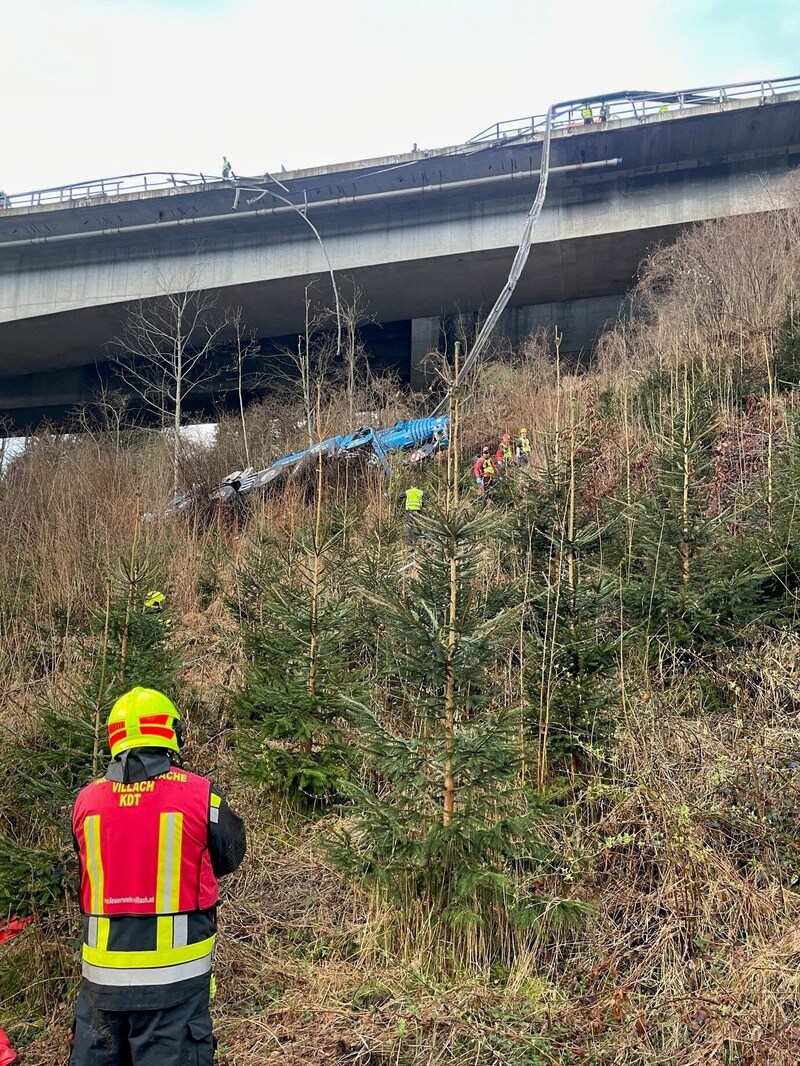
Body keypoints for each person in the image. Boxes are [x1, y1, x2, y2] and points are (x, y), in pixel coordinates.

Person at [70, 687, 246, 1066]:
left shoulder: (86, 802)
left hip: (99, 991)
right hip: (175, 991)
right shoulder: (201, 797)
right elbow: (231, 855)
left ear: (114, 738)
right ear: (171, 734)